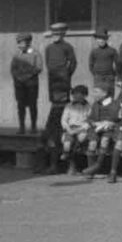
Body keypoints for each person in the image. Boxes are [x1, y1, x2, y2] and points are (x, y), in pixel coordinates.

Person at [41, 23, 76, 174]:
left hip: (63, 76)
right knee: (54, 101)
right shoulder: (49, 48)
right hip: (53, 77)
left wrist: (67, 74)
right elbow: (48, 63)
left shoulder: (67, 47)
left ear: (63, 34)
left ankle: (62, 115)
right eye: (54, 33)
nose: (56, 36)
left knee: (62, 103)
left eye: (59, 33)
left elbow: (73, 62)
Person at [82, 85, 120, 179]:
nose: (94, 94)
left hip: (109, 129)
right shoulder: (96, 104)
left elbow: (116, 119)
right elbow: (90, 118)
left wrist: (108, 123)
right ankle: (91, 171)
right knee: (92, 143)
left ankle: (97, 165)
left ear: (105, 93)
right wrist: (94, 123)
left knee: (105, 140)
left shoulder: (114, 103)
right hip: (95, 128)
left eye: (96, 92)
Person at [10, 33, 43, 134]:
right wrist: (18, 77)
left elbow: (38, 68)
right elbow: (13, 68)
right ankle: (21, 127)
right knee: (20, 105)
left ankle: (33, 126)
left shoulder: (35, 54)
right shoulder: (17, 55)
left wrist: (27, 76)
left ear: (28, 43)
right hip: (19, 84)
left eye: (22, 43)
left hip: (31, 83)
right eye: (18, 43)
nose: (20, 45)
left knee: (32, 105)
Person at [59, 84, 92, 175]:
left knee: (81, 139)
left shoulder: (88, 107)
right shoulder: (69, 106)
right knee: (67, 144)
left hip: (82, 129)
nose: (76, 98)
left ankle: (74, 165)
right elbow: (64, 120)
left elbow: (89, 121)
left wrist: (81, 129)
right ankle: (69, 159)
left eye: (79, 96)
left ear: (85, 96)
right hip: (70, 128)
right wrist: (68, 128)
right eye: (74, 95)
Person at [87, 30, 118, 102]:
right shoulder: (94, 51)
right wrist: (95, 74)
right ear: (96, 40)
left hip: (109, 76)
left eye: (103, 39)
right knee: (98, 95)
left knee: (109, 95)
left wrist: (114, 74)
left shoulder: (112, 51)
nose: (101, 41)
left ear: (106, 39)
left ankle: (110, 111)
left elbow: (117, 63)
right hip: (98, 76)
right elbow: (91, 64)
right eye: (99, 39)